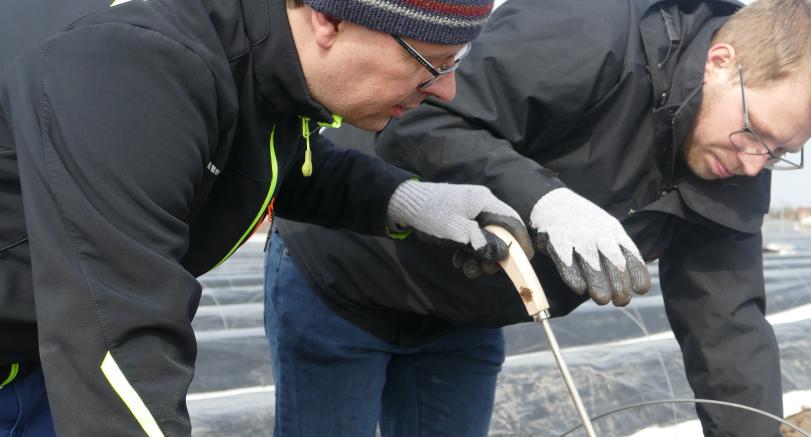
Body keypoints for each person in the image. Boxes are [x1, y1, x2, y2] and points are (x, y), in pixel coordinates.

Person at [268, 0, 811, 435]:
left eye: (781, 152)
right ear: (722, 63)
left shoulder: (736, 159)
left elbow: (726, 321)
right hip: (345, 278)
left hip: (462, 318)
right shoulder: (591, 31)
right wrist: (544, 200)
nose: (758, 164)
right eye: (757, 135)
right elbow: (422, 123)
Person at [0, 0, 533, 434]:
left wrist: (408, 201)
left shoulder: (262, 70)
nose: (446, 89)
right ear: (330, 19)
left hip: (46, 361)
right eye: (433, 62)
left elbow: (280, 165)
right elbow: (115, 329)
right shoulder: (137, 69)